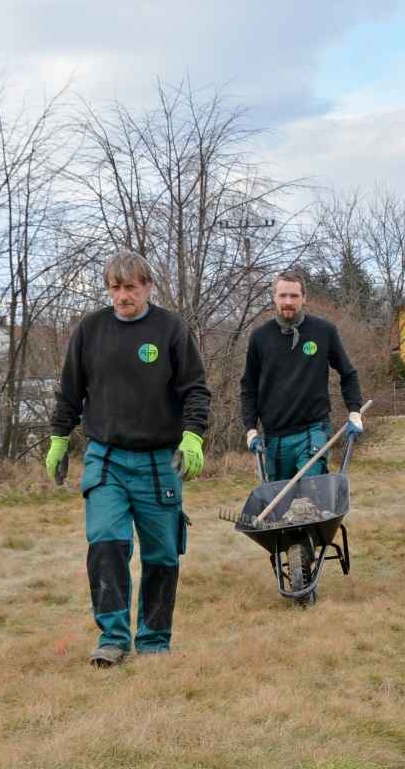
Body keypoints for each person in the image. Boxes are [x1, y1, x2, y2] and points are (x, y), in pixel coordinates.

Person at [47, 251, 211, 667]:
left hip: (159, 462)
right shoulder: (89, 330)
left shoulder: (171, 329)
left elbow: (195, 390)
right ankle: (114, 638)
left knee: (161, 555)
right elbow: (69, 393)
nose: (122, 296)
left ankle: (154, 641)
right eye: (115, 288)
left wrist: (192, 437)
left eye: (131, 287)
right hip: (106, 457)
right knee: (106, 542)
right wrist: (58, 439)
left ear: (148, 287)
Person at [240, 269, 363, 482]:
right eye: (283, 295)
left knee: (310, 490)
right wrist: (251, 430)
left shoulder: (323, 331)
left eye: (294, 296)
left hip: (313, 428)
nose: (288, 301)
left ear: (304, 298)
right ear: (274, 297)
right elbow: (249, 388)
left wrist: (354, 413)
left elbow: (348, 374)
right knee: (280, 504)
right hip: (275, 435)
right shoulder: (260, 337)